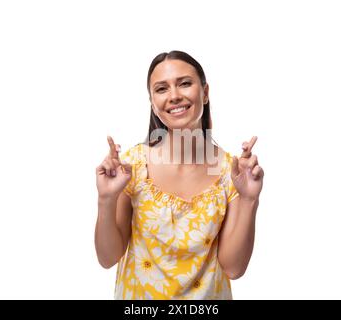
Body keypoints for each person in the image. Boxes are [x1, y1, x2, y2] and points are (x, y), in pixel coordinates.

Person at [95, 50, 264, 299]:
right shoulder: (131, 167)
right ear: (153, 103)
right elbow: (107, 258)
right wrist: (106, 199)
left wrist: (249, 199)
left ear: (205, 93)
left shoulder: (233, 172)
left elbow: (234, 267)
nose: (174, 96)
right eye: (162, 89)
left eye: (184, 83)